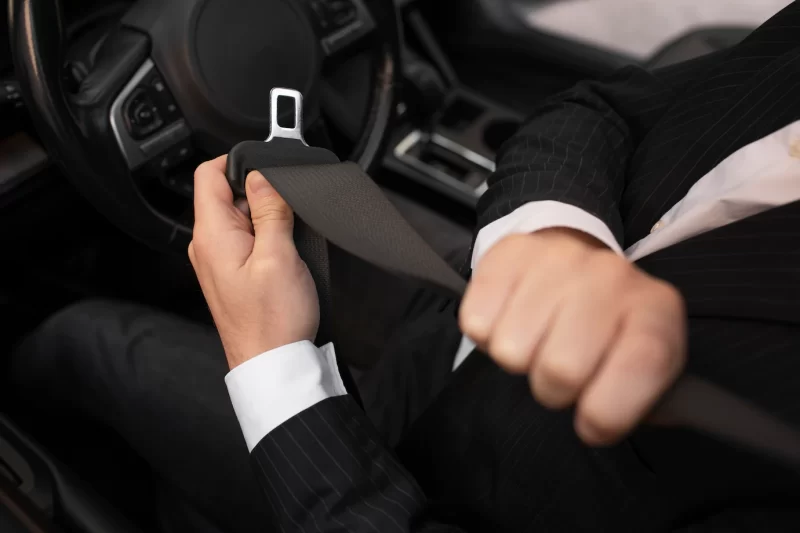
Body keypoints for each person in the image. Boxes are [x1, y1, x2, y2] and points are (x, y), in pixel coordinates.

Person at [10, 2, 800, 531]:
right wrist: (557, 237)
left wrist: (275, 368)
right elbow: (610, 108)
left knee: (90, 339)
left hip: (407, 480)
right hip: (458, 320)